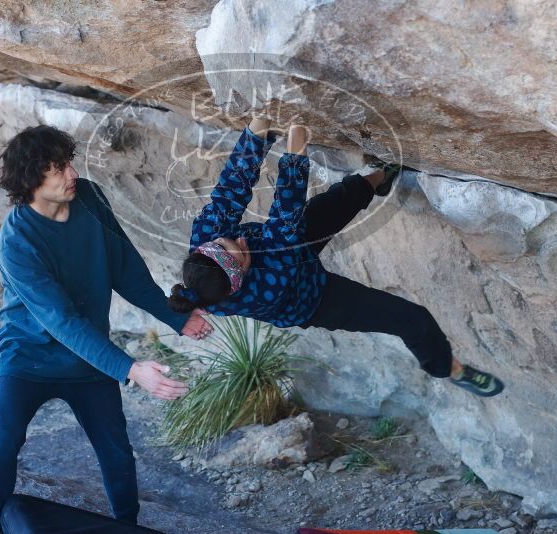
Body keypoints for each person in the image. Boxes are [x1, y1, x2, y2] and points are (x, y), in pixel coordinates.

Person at [0, 125, 212, 534]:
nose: (72, 173)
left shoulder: (89, 197)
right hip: (27, 357)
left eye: (69, 162)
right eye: (57, 168)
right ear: (31, 179)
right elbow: (61, 321)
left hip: (87, 361)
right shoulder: (15, 241)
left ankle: (127, 527)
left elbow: (126, 268)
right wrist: (130, 368)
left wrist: (176, 317)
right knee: (5, 438)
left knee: (117, 452)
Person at [168, 117, 504, 398]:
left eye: (229, 241)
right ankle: (449, 368)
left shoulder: (206, 242)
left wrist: (256, 137)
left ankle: (379, 176)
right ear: (239, 277)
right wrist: (295, 157)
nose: (241, 239)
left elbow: (230, 192)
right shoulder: (264, 289)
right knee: (412, 319)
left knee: (337, 201)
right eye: (241, 253)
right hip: (312, 297)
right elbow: (286, 217)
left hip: (280, 249)